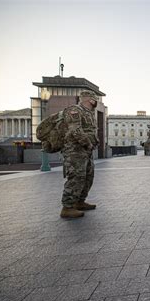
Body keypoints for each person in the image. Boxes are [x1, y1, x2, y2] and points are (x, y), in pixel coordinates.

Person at [60, 90, 99, 219]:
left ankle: (79, 201)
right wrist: (88, 143)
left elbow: (90, 130)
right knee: (76, 177)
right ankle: (68, 207)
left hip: (86, 151)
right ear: (90, 100)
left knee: (88, 177)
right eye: (95, 99)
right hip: (75, 151)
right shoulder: (74, 110)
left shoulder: (89, 113)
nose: (96, 102)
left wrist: (94, 142)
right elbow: (75, 130)